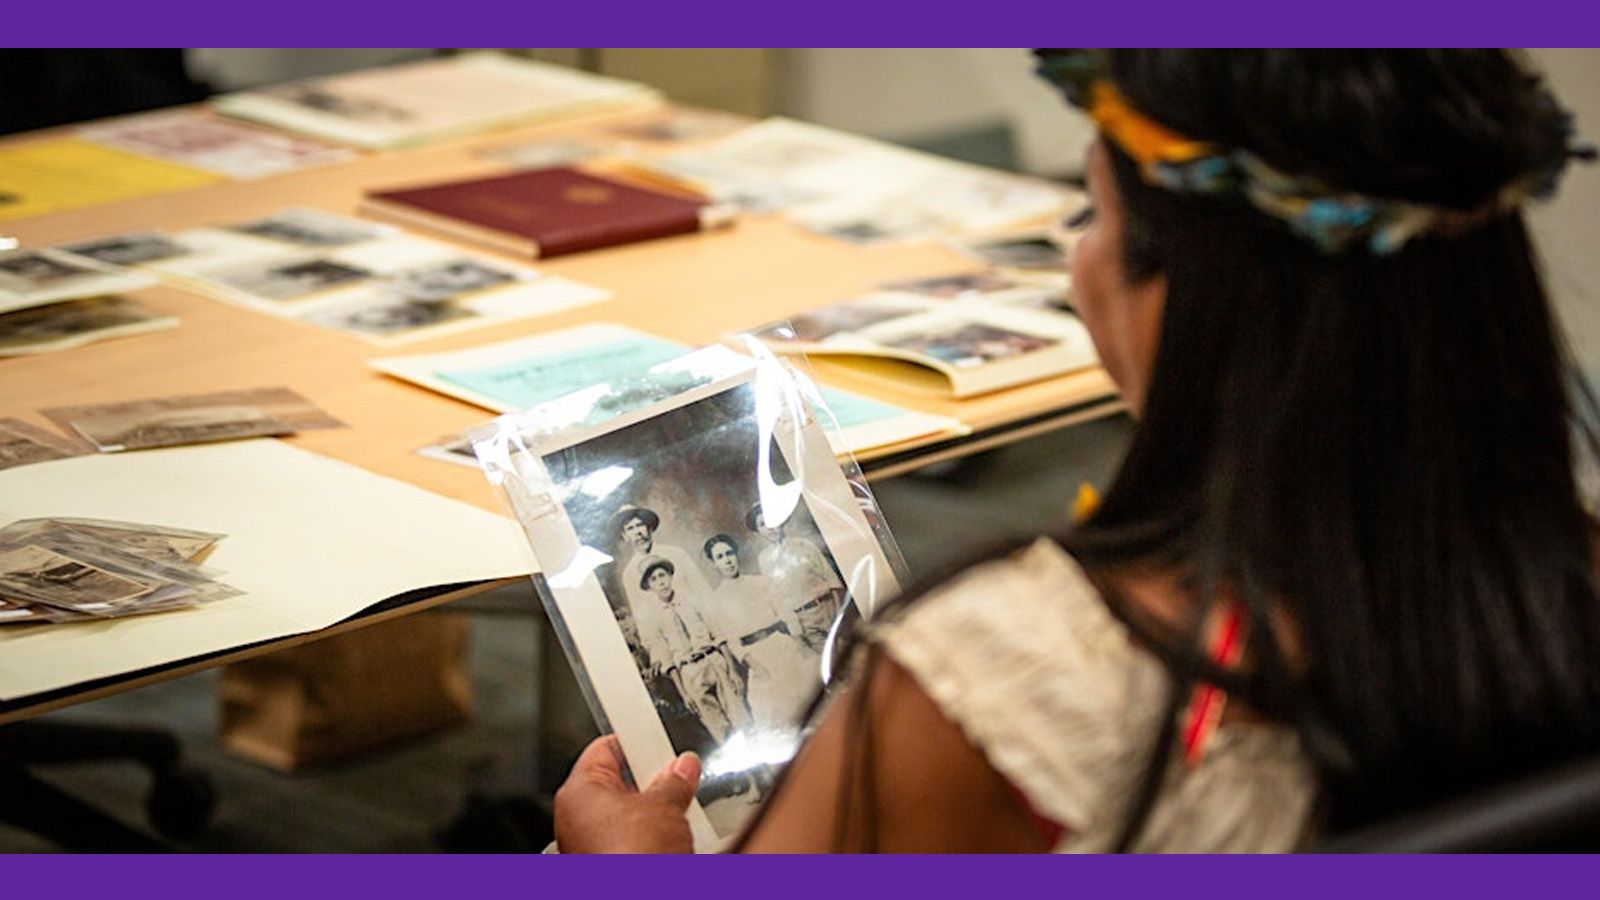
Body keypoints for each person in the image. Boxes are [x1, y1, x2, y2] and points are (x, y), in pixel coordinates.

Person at [552, 49, 1600, 853]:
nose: (1073, 257)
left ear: (1195, 296)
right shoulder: (1564, 583)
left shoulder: (993, 682)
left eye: (1091, 213)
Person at [704, 533, 817, 731]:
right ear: (713, 564)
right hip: (756, 656)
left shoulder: (760, 582)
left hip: (781, 644)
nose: (727, 560)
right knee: (773, 712)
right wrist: (755, 665)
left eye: (729, 554)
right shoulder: (716, 599)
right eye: (720, 557)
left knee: (809, 697)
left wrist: (799, 642)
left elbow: (785, 612)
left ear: (736, 555)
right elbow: (732, 641)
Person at [632, 556, 751, 744]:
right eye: (653, 580)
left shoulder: (691, 600)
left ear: (670, 576)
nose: (660, 582)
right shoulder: (655, 618)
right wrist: (685, 693)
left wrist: (733, 670)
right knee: (721, 732)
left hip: (713, 660)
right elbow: (667, 660)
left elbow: (717, 634)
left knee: (742, 721)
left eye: (662, 575)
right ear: (649, 586)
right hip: (689, 672)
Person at [747, 502, 846, 654]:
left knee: (849, 652)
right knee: (832, 662)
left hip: (828, 607)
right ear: (758, 531)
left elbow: (830, 578)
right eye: (762, 524)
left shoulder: (802, 544)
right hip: (805, 619)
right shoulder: (765, 559)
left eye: (771, 520)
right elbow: (778, 598)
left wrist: (840, 613)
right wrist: (796, 632)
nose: (769, 527)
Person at [611, 504, 710, 620]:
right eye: (630, 528)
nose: (637, 532)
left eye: (640, 525)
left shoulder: (677, 554)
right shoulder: (629, 574)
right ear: (625, 536)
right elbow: (642, 618)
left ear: (649, 528)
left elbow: (703, 591)